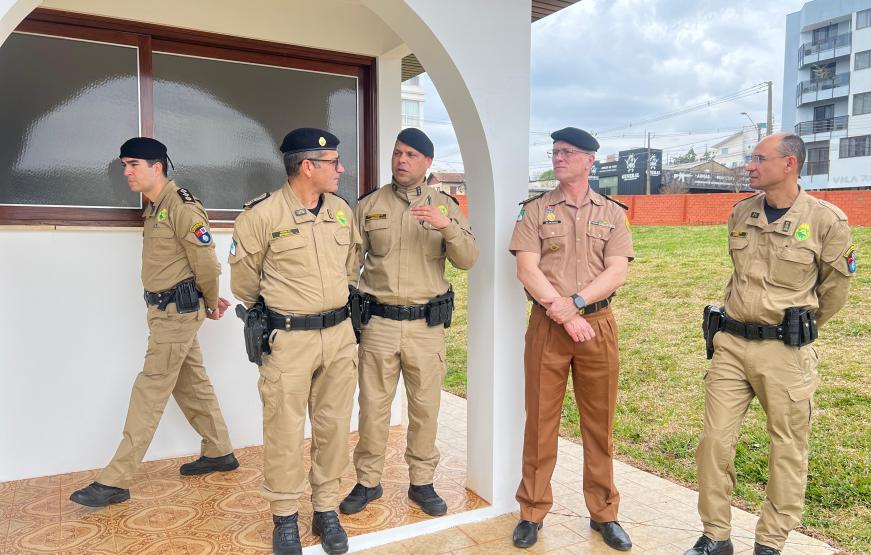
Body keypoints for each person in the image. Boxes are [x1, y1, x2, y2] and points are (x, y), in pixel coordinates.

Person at [684, 133, 854, 555]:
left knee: (788, 446)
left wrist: (798, 327)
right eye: (751, 158)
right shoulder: (742, 213)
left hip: (785, 351)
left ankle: (770, 542)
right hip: (731, 344)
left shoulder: (826, 221)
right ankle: (716, 536)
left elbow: (835, 291)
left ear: (789, 164)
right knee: (714, 441)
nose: (750, 165)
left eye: (759, 158)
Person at [70, 137, 237, 508]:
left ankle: (115, 479)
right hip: (166, 312)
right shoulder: (155, 207)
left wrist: (211, 301)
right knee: (190, 383)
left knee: (150, 389)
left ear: (156, 167)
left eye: (133, 165)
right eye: (124, 166)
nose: (126, 172)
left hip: (177, 314)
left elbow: (207, 262)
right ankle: (220, 451)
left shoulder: (181, 207)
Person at [229, 128, 357, 555]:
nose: (340, 169)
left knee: (334, 428)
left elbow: (352, 263)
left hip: (339, 337)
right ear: (308, 167)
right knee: (284, 431)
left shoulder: (341, 210)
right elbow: (245, 284)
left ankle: (325, 511)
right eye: (333, 162)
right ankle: (285, 519)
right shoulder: (261, 216)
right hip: (289, 340)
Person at [340, 128, 478, 517]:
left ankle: (422, 482)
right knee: (372, 408)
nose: (402, 160)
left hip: (425, 326)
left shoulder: (446, 205)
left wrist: (445, 225)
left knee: (425, 407)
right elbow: (350, 264)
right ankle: (367, 481)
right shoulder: (369, 205)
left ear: (428, 163)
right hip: (379, 324)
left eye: (412, 155)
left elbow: (468, 258)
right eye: (398, 153)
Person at [508, 127, 634, 550]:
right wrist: (561, 312)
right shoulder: (535, 210)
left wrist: (575, 303)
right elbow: (527, 268)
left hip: (596, 325)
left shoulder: (613, 212)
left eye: (567, 152)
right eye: (555, 151)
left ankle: (604, 512)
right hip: (548, 326)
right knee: (540, 422)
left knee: (599, 424)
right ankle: (532, 510)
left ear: (589, 160)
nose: (558, 157)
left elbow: (617, 270)